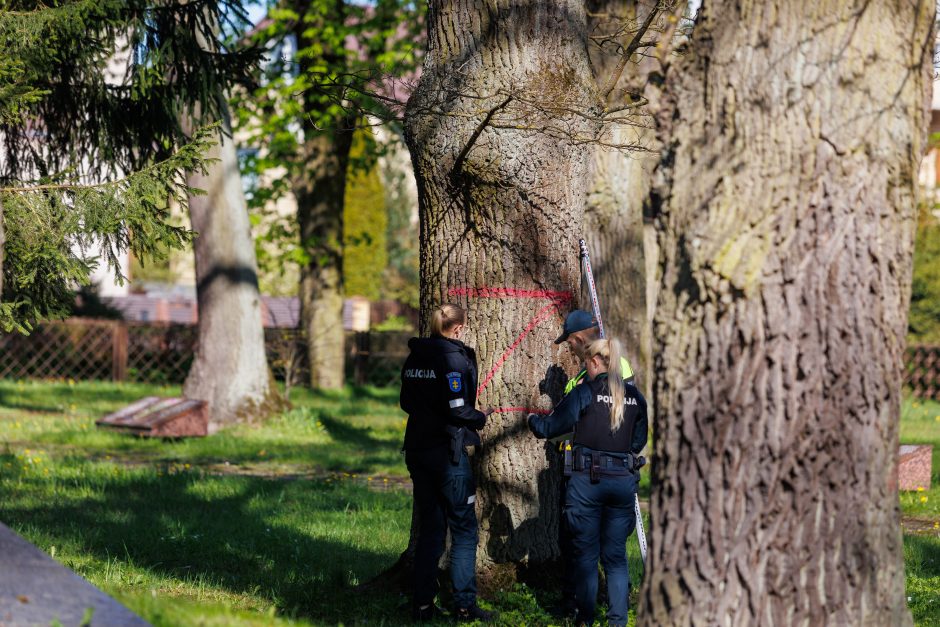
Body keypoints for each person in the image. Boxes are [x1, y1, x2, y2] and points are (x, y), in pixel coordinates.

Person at [528, 337, 648, 627]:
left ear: (595, 362)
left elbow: (552, 426)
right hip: (622, 482)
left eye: (586, 363)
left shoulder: (585, 393)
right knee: (616, 557)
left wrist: (533, 419)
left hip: (587, 482)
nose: (586, 368)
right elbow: (638, 441)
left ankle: (585, 618)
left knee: (585, 554)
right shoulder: (635, 397)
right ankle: (618, 621)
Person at [400, 303, 496, 623]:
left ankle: (423, 605)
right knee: (465, 530)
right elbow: (457, 408)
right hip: (447, 456)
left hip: (417, 451)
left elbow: (406, 402)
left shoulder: (416, 356)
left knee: (431, 530)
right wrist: (480, 417)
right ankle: (465, 605)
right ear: (458, 328)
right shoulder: (453, 358)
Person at [552, 309, 637, 616]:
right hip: (578, 468)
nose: (569, 349)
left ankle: (589, 609)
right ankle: (580, 602)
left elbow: (615, 416)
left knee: (598, 548)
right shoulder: (577, 379)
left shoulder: (614, 371)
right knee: (578, 543)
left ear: (577, 340)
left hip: (598, 472)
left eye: (570, 343)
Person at [555, 309, 635, 392]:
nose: (571, 349)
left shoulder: (602, 368)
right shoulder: (618, 362)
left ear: (579, 340)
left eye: (570, 343)